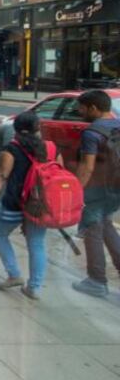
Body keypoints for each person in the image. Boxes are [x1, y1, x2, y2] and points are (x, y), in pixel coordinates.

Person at [0, 111, 56, 300]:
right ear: (38, 128)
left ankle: (14, 274)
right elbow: (54, 174)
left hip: (14, 203)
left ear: (17, 129)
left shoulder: (11, 149)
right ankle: (34, 288)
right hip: (39, 205)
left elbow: (1, 177)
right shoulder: (50, 148)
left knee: (0, 235)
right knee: (36, 243)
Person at [72, 90, 120, 297]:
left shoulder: (92, 133)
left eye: (82, 108)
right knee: (107, 226)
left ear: (93, 108)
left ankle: (96, 280)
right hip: (116, 187)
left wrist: (76, 192)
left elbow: (87, 167)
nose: (79, 112)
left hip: (97, 188)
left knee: (92, 230)